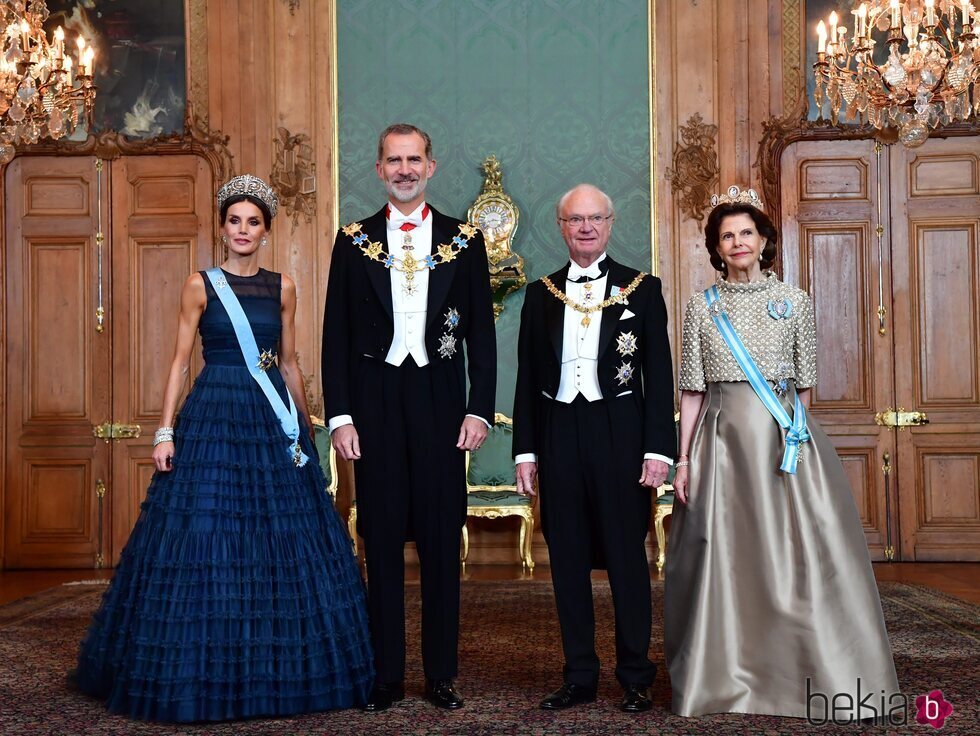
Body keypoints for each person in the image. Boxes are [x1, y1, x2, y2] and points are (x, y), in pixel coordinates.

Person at [73, 175, 374, 722]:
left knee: (279, 536)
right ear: (222, 227)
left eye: (252, 222)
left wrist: (305, 429)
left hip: (270, 419)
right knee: (206, 531)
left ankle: (280, 668)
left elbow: (287, 363)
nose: (242, 230)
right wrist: (164, 431)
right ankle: (198, 666)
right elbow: (179, 362)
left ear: (265, 231)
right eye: (234, 221)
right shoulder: (200, 285)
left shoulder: (282, 287)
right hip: (213, 414)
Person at [664, 186, 900, 720]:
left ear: (765, 239)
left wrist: (795, 437)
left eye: (747, 232)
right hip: (721, 444)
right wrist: (685, 460)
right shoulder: (702, 308)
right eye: (727, 236)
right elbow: (693, 391)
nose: (738, 242)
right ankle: (721, 676)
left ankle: (806, 669)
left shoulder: (794, 301)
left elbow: (803, 387)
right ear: (716, 248)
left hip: (783, 440)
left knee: (798, 554)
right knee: (721, 558)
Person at [322, 124, 496, 711]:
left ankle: (440, 673)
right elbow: (334, 338)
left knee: (443, 541)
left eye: (413, 159)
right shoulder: (352, 242)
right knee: (381, 538)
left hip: (442, 399)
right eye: (393, 160)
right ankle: (388, 675)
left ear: (431, 166)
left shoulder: (466, 240)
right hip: (373, 403)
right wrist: (341, 417)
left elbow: (485, 337)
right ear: (378, 169)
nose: (403, 169)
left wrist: (479, 409)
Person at [512, 184, 675, 713]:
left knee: (628, 558)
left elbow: (660, 376)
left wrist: (658, 450)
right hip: (559, 430)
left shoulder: (642, 289)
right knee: (567, 559)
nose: (585, 227)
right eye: (575, 219)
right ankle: (579, 674)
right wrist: (525, 453)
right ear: (561, 226)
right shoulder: (540, 294)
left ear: (610, 223)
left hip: (620, 433)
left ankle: (635, 675)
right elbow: (526, 380)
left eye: (595, 218)